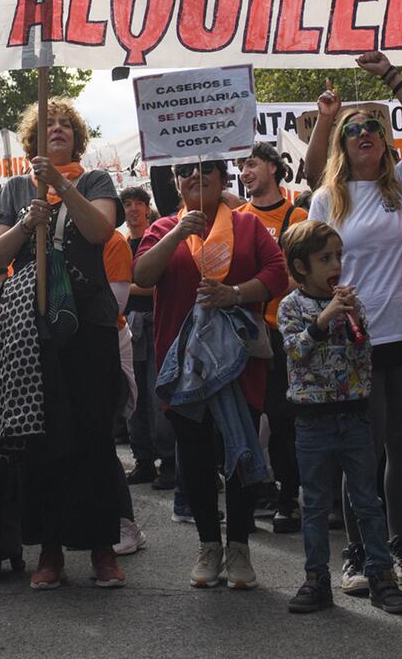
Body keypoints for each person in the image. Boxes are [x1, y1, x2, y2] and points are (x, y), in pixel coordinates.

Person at [302, 52, 402, 594]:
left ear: (385, 142)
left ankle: (400, 546)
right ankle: (359, 553)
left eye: (373, 128)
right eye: (353, 129)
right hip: (354, 338)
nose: (364, 133)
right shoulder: (327, 199)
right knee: (364, 448)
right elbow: (311, 267)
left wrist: (392, 78)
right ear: (342, 147)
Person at [0, 92, 125, 591]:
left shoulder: (94, 180)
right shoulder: (16, 187)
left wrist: (62, 184)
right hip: (33, 326)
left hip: (88, 324)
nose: (57, 128)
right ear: (33, 138)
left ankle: (102, 547)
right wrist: (27, 222)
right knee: (40, 436)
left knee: (93, 434)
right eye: (48, 123)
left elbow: (100, 229)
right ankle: (49, 549)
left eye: (65, 123)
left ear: (76, 136)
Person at [133, 158, 288, 590]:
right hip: (185, 366)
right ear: (176, 182)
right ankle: (208, 546)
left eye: (205, 169)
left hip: (239, 363)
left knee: (240, 451)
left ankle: (239, 547)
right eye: (184, 171)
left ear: (222, 178)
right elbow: (141, 274)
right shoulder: (164, 228)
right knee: (196, 458)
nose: (194, 176)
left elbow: (277, 274)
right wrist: (178, 234)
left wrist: (234, 294)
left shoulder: (247, 225)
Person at [277, 220, 402, 615]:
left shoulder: (354, 304)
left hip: (353, 415)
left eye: (339, 256)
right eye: (325, 259)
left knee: (366, 500)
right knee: (316, 503)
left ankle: (381, 576)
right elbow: (296, 350)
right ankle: (316, 578)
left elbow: (364, 354)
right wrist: (323, 321)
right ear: (301, 266)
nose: (336, 265)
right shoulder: (291, 306)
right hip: (313, 420)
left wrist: (355, 323)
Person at [237, 143, 302, 532]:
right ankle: (250, 495)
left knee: (282, 421)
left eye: (252, 164)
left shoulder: (297, 216)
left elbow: (305, 275)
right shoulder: (236, 219)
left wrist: (263, 282)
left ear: (274, 168)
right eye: (241, 166)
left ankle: (287, 498)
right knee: (243, 419)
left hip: (280, 332)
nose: (245, 172)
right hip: (244, 333)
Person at [119, 187, 174, 490]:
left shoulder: (156, 239)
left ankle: (169, 461)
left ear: (147, 207)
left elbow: (155, 283)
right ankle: (143, 460)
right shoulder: (121, 242)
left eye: (138, 203)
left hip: (155, 322)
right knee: (134, 394)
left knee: (158, 394)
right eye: (127, 204)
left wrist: (128, 284)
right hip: (129, 324)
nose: (133, 209)